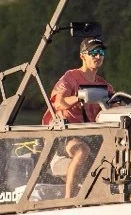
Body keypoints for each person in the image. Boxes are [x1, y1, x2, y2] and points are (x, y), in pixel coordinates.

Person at [44, 37, 115, 197]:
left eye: (101, 52)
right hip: (66, 134)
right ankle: (68, 200)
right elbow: (59, 102)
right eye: (94, 53)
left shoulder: (105, 85)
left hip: (93, 134)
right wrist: (79, 97)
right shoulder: (70, 77)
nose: (98, 57)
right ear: (83, 56)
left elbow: (115, 106)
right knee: (82, 150)